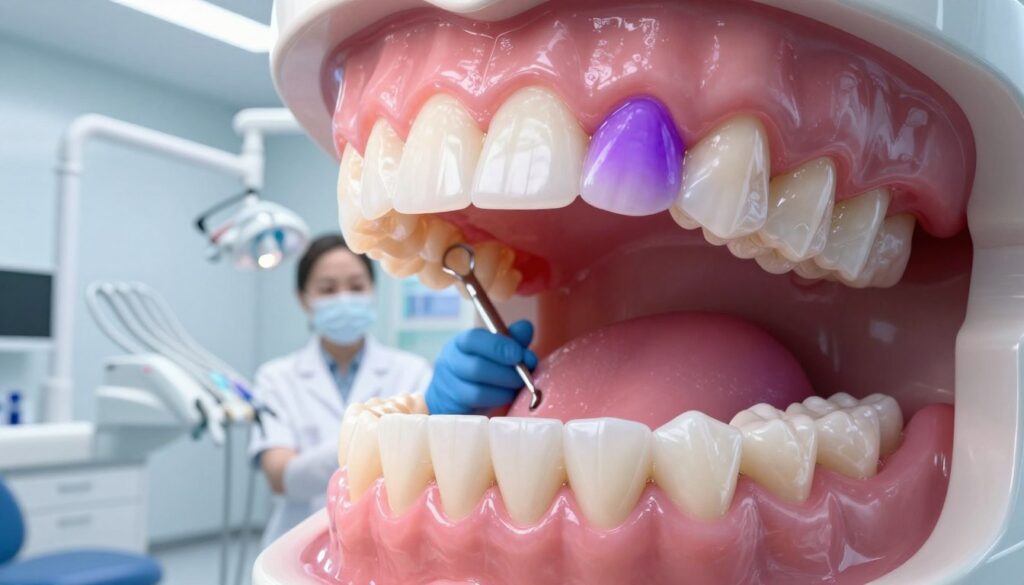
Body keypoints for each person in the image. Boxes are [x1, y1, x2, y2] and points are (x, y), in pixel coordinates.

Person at [250, 234, 538, 546]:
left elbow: (432, 472)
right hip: (296, 546)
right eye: (328, 289)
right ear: (303, 298)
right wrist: (393, 431)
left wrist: (435, 421)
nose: (344, 298)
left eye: (356, 287)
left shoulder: (411, 370)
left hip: (385, 545)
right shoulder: (275, 378)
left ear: (372, 292)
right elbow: (282, 478)